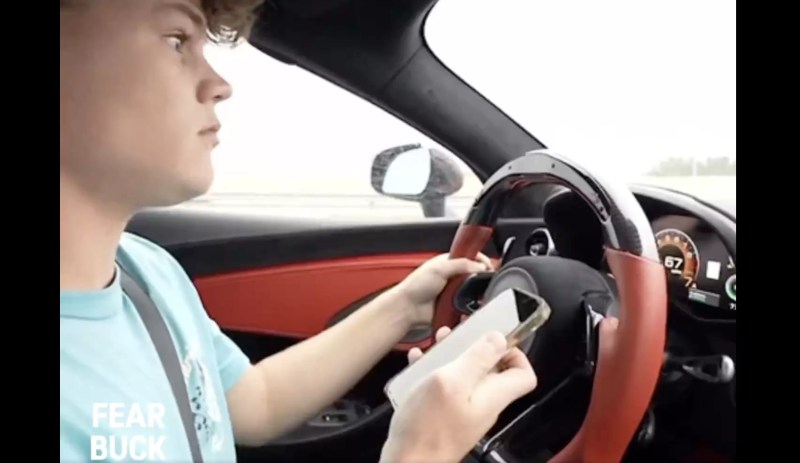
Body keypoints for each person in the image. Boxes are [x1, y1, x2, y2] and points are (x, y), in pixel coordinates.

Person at [59, 1, 539, 462]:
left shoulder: (147, 273)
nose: (220, 84)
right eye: (176, 39)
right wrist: (419, 453)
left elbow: (255, 403)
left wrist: (402, 307)